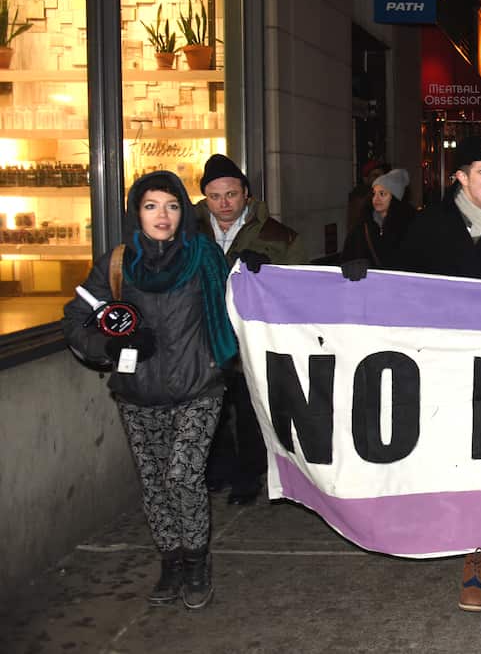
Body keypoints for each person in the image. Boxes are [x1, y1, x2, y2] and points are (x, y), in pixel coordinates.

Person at [362, 135, 481, 612]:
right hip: (442, 362)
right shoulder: (430, 225)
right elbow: (398, 281)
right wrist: (354, 279)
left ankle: (475, 552)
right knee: (448, 450)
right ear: (459, 177)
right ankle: (442, 526)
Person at [62, 170, 238, 610]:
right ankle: (171, 562)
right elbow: (76, 318)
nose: (163, 215)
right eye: (151, 205)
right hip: (139, 393)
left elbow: (245, 298)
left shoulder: (204, 258)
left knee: (183, 475)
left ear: (184, 210)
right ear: (136, 212)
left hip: (200, 386)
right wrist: (111, 344)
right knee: (156, 485)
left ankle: (197, 563)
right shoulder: (118, 264)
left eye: (173, 205)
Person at [195, 154, 308, 505]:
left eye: (230, 194)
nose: (223, 204)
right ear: (205, 198)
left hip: (253, 337)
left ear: (245, 193)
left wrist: (268, 270)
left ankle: (249, 473)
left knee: (249, 407)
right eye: (214, 197)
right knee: (208, 406)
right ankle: (218, 469)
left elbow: (298, 286)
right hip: (204, 334)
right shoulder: (189, 231)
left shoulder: (278, 235)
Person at [340, 167, 415, 270]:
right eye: (374, 193)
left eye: (382, 194)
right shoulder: (362, 225)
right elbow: (348, 258)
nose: (376, 199)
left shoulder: (410, 226)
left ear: (395, 198)